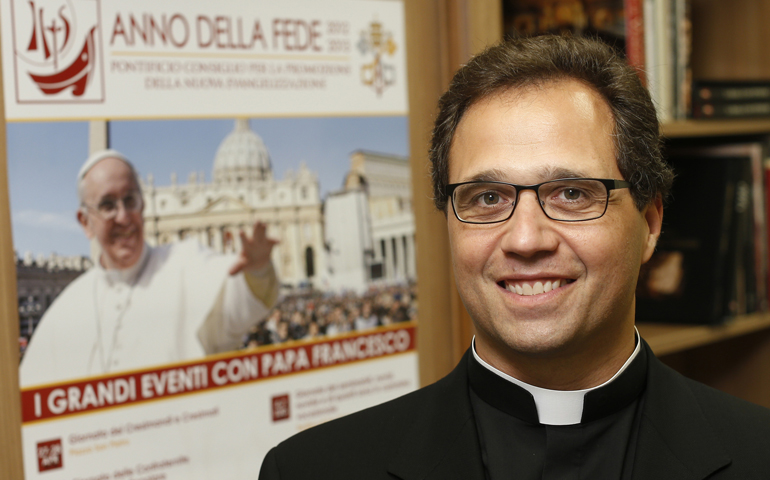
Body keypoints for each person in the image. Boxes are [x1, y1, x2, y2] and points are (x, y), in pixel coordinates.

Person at [258, 35, 770, 479]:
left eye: (572, 193)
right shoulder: (311, 470)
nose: (525, 240)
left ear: (650, 224)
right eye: (487, 198)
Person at [20, 149, 279, 387]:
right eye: (108, 205)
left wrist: (256, 271)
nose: (123, 217)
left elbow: (235, 306)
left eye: (130, 200)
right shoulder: (64, 311)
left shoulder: (186, 263)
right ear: (85, 222)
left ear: (143, 204)